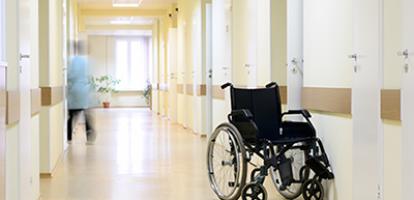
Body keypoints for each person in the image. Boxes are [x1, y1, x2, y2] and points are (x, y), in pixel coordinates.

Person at [67, 40, 96, 144]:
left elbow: (70, 76)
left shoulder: (73, 61)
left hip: (75, 91)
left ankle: (69, 137)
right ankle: (90, 137)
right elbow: (90, 77)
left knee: (71, 115)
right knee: (87, 115)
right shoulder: (86, 61)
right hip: (84, 91)